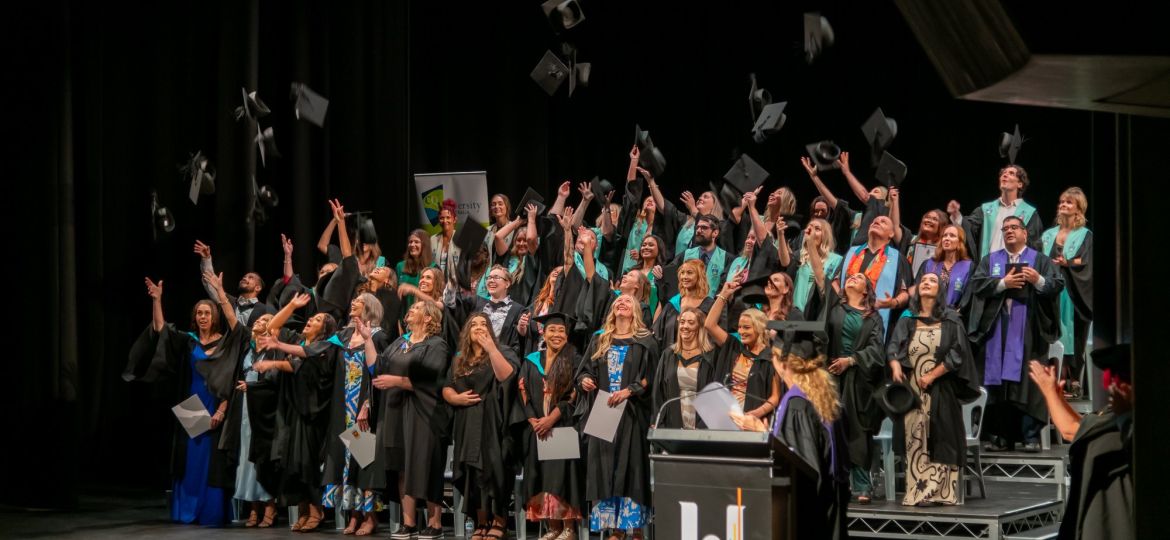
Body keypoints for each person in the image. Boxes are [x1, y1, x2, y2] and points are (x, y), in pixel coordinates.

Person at [125, 277, 246, 527]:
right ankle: (187, 511)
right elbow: (160, 330)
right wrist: (157, 300)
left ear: (214, 316)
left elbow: (237, 336)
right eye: (199, 313)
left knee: (211, 462)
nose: (203, 317)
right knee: (190, 460)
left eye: (207, 313)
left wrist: (221, 292)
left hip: (217, 406)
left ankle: (210, 513)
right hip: (191, 405)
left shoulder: (226, 341)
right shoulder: (188, 340)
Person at [731, 341, 849, 540]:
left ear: (784, 364)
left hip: (807, 514)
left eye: (773, 358)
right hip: (830, 503)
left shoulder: (797, 404)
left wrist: (761, 432)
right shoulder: (827, 396)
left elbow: (801, 468)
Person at [966, 215, 1064, 452]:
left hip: (1028, 329)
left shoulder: (1039, 261)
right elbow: (976, 284)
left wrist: (1038, 280)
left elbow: (1057, 284)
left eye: (1014, 228)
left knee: (1027, 381)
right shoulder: (991, 261)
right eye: (1005, 228)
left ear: (1024, 233)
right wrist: (1003, 283)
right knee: (997, 382)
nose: (1009, 231)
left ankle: (1029, 436)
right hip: (996, 328)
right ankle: (999, 436)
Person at [888, 273, 981, 505]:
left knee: (941, 436)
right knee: (914, 439)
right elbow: (893, 346)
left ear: (939, 290)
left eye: (932, 281)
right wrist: (895, 364)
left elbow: (957, 353)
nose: (926, 283)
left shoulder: (950, 319)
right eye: (924, 280)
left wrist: (932, 375)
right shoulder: (907, 318)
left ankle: (940, 492)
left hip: (941, 388)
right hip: (913, 390)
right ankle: (918, 492)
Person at [1027, 344, 1133, 540]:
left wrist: (1126, 414)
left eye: (1117, 379)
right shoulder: (1111, 419)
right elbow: (1078, 428)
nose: (1110, 386)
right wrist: (1053, 395)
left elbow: (1072, 430)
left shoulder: (1134, 426)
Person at [576, 295, 659, 540]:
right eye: (617, 301)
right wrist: (585, 380)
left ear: (635, 310)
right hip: (603, 410)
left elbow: (652, 376)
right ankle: (615, 529)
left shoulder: (646, 340)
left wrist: (629, 390)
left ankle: (633, 528)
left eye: (627, 301)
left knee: (631, 466)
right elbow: (583, 370)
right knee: (605, 467)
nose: (621, 303)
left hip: (632, 412)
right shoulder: (599, 338)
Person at [254, 305, 340, 532]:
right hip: (295, 407)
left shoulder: (328, 345)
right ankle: (302, 509)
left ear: (326, 328)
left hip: (314, 412)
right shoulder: (300, 342)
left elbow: (301, 360)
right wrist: (292, 306)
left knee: (308, 462)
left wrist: (276, 353)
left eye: (318, 319)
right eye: (311, 317)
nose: (311, 320)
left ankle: (316, 510)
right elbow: (273, 327)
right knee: (294, 462)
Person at [373, 300, 450, 540]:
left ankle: (435, 523)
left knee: (426, 463)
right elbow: (378, 367)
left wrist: (398, 382)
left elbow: (432, 378)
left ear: (429, 318)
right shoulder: (401, 342)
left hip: (424, 411)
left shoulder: (436, 345)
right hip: (396, 410)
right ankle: (409, 523)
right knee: (403, 465)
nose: (410, 310)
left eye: (416, 308)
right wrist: (367, 339)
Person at [445, 313, 520, 540]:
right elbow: (447, 386)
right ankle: (481, 520)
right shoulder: (460, 358)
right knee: (470, 472)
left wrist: (491, 348)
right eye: (473, 324)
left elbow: (507, 376)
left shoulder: (502, 351)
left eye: (483, 324)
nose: (478, 327)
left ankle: (499, 521)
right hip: (466, 422)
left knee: (493, 470)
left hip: (493, 421)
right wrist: (454, 398)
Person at [518, 313, 585, 540]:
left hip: (562, 427)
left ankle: (568, 527)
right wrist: (532, 420)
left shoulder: (573, 358)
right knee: (543, 476)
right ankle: (553, 526)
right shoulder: (531, 360)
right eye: (552, 331)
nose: (556, 335)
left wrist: (551, 418)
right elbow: (522, 391)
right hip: (537, 428)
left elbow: (574, 395)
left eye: (561, 331)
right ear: (543, 333)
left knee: (562, 476)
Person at [824, 273, 885, 504]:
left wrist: (850, 361)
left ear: (866, 290)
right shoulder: (834, 310)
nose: (852, 278)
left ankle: (862, 485)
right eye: (849, 276)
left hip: (859, 381)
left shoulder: (873, 318)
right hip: (832, 377)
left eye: (859, 278)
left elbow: (877, 349)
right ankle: (834, 481)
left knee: (857, 432)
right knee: (830, 429)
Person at [1041, 187, 1093, 396]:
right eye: (1061, 202)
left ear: (1078, 209)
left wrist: (1067, 262)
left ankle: (1073, 379)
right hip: (1051, 292)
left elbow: (1086, 262)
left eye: (1069, 203)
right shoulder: (1048, 235)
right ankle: (1056, 378)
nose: (1063, 205)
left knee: (1074, 333)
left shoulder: (1085, 235)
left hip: (1073, 293)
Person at [706, 282, 781, 421]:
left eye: (746, 327)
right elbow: (709, 325)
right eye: (740, 327)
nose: (741, 331)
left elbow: (775, 397)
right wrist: (723, 295)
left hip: (752, 423)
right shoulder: (733, 347)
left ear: (759, 328)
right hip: (725, 421)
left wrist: (756, 413)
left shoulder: (771, 358)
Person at [948, 163, 1044, 261]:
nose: (1005, 175)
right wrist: (956, 214)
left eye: (1011, 173)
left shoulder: (1029, 213)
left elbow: (1034, 246)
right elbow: (970, 229)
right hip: (987, 268)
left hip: (1015, 268)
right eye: (1003, 173)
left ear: (1020, 184)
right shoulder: (986, 210)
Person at [839, 215, 913, 339]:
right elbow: (835, 281)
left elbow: (905, 292)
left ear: (891, 234)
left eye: (883, 222)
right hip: (843, 316)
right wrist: (839, 300)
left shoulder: (898, 259)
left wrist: (893, 302)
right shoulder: (852, 252)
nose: (876, 222)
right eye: (874, 221)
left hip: (875, 322)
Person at [652, 308, 718, 429]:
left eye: (691, 323)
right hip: (673, 422)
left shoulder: (710, 357)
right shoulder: (669, 354)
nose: (685, 326)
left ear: (700, 327)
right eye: (682, 322)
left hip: (702, 424)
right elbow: (658, 392)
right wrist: (657, 420)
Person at [193, 239, 275, 328]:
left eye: (250, 277)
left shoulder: (265, 309)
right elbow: (210, 282)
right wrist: (206, 259)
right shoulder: (227, 300)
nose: (245, 278)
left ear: (258, 288)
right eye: (244, 277)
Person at [652, 259, 710, 353]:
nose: (685, 277)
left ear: (700, 276)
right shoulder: (672, 304)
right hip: (670, 360)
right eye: (682, 273)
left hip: (697, 360)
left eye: (689, 273)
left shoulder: (709, 305)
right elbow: (657, 335)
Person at [790, 218, 843, 315]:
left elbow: (828, 287)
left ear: (825, 235)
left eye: (817, 229)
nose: (812, 231)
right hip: (796, 312)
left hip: (819, 312)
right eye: (810, 228)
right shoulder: (799, 256)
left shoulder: (837, 260)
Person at [671, 214, 731, 298]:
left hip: (712, 307)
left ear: (715, 233)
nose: (698, 230)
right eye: (697, 227)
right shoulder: (686, 255)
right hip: (686, 305)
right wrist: (659, 270)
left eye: (704, 228)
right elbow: (670, 275)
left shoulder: (726, 258)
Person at [916, 224, 973, 308]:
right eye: (945, 235)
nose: (947, 238)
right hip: (927, 312)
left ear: (959, 242)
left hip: (953, 316)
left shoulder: (968, 267)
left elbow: (968, 297)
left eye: (952, 236)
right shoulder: (928, 264)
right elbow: (917, 289)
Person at [395, 229, 434, 313]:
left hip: (424, 316)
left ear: (424, 245)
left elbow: (436, 302)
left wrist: (413, 290)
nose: (412, 244)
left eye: (416, 242)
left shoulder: (433, 268)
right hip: (404, 317)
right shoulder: (400, 266)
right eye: (410, 242)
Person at [431, 199, 461, 279]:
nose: (445, 221)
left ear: (454, 219)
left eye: (448, 217)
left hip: (456, 286)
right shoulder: (433, 239)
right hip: (437, 286)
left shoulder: (461, 238)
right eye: (441, 218)